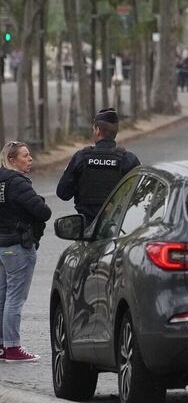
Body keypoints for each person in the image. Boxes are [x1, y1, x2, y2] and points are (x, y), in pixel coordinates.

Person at [0, 140, 52, 362]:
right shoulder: (18, 183)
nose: (30, 159)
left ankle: (2, 346)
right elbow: (43, 211)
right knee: (15, 297)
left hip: (2, 245)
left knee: (2, 296)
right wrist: (40, 202)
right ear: (12, 160)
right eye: (25, 155)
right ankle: (13, 348)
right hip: (18, 245)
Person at [56, 108, 141, 223]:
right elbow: (138, 197)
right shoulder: (129, 160)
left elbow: (63, 193)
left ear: (97, 130)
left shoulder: (81, 157)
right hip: (117, 228)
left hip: (87, 228)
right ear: (115, 133)